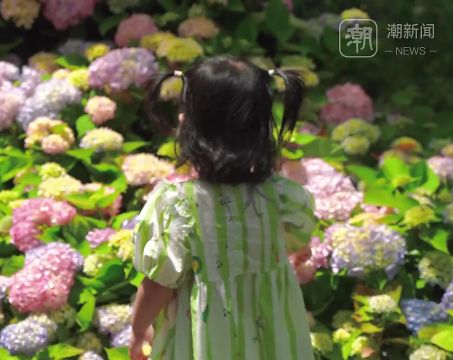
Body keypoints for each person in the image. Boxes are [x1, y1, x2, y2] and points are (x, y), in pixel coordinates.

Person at [129, 56, 316, 360]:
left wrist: (139, 330)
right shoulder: (281, 197)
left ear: (188, 124)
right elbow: (298, 243)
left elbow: (159, 281)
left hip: (205, 343)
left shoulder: (178, 204)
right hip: (274, 341)